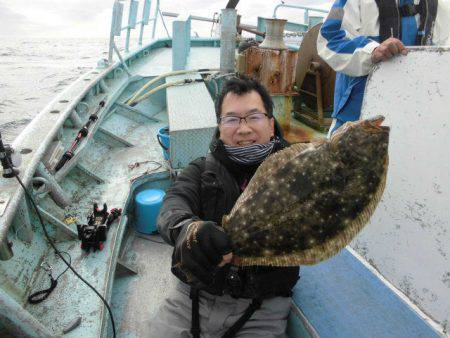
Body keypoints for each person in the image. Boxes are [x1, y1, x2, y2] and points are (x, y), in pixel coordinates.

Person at [150, 75, 299, 337]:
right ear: (219, 127)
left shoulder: (298, 172)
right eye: (231, 119)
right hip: (195, 296)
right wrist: (188, 230)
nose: (243, 129)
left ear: (271, 124)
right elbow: (173, 205)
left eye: (254, 117)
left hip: (263, 306)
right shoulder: (201, 169)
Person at [317, 0, 450, 137]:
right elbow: (329, 39)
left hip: (420, 118)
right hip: (356, 118)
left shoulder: (442, 6)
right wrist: (372, 51)